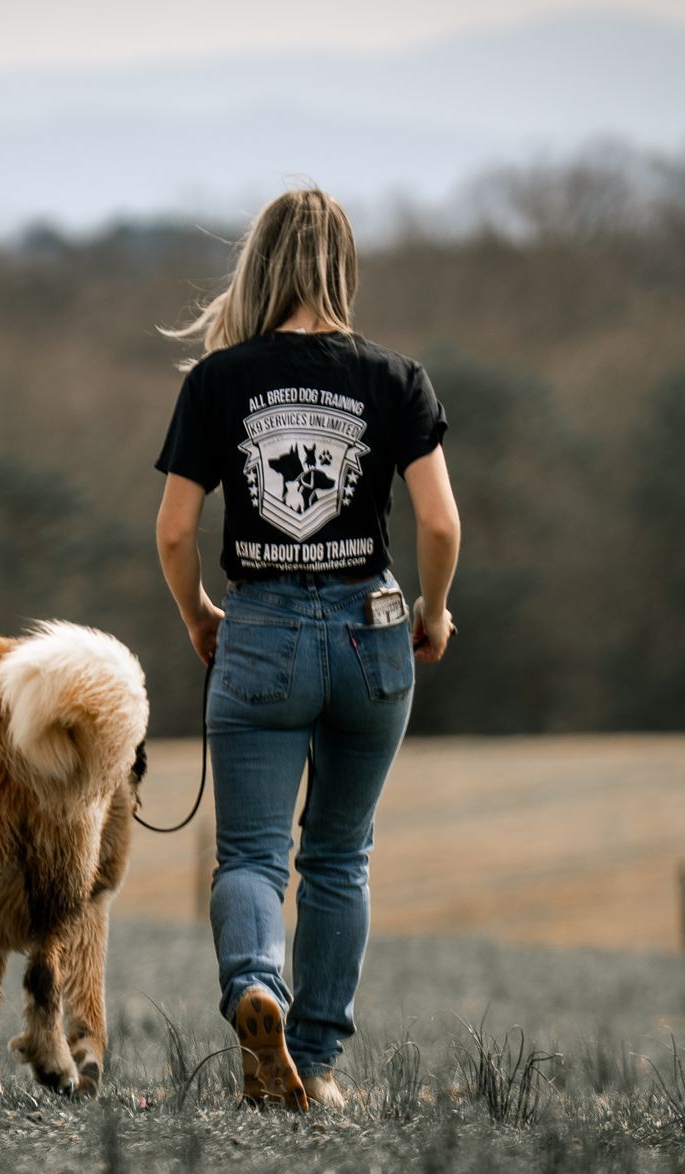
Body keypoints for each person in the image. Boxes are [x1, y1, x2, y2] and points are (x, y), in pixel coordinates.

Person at [152, 186, 461, 1111]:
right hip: (372, 633)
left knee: (250, 857)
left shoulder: (219, 381)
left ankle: (256, 985)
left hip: (261, 634)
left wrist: (201, 615)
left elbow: (173, 532)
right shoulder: (396, 376)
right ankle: (315, 1065)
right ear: (343, 266)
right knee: (339, 857)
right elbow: (440, 524)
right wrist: (436, 613)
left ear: (260, 265)